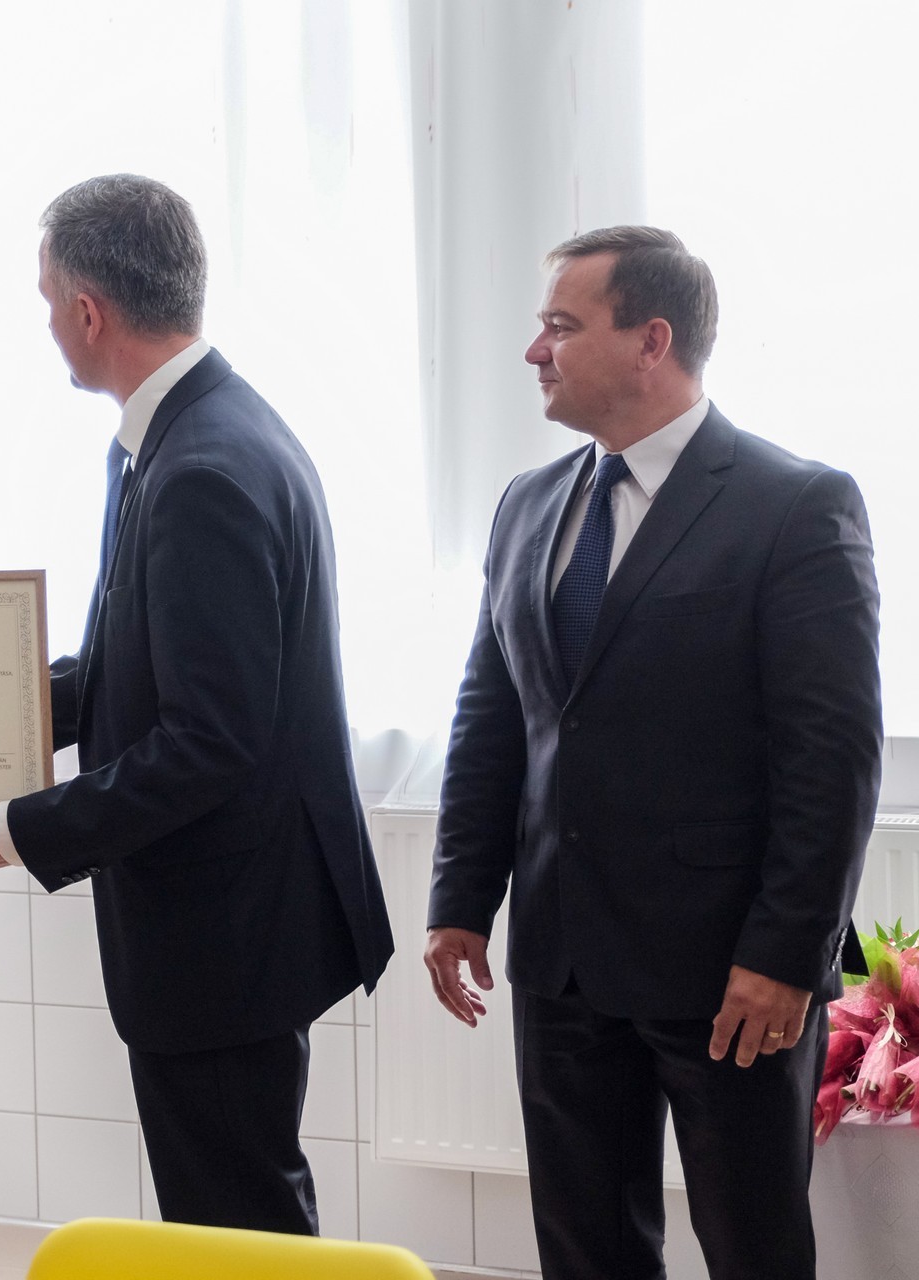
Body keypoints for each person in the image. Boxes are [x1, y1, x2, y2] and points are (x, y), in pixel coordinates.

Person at [0, 175, 393, 1235]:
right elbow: (127, 667)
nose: (49, 325)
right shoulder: (188, 433)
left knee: (238, 1225)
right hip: (232, 916)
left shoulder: (202, 468)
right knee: (230, 1212)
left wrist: (16, 826)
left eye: (48, 302)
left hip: (225, 930)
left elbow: (208, 740)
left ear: (89, 310)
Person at [424, 226, 880, 1280]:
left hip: (730, 975)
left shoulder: (795, 505)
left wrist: (786, 956)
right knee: (585, 1251)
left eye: (560, 325)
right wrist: (460, 897)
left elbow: (832, 757)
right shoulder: (526, 504)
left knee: (755, 1250)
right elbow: (492, 715)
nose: (534, 350)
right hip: (562, 961)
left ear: (651, 341)